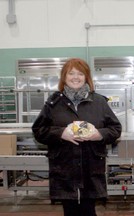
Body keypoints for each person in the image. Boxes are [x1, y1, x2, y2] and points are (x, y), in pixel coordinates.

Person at [32, 58, 122, 216]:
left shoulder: (99, 102)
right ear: (64, 77)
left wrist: (99, 135)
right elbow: (39, 130)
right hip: (65, 168)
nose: (75, 77)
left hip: (91, 167)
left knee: (89, 210)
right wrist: (61, 134)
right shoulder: (53, 103)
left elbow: (116, 129)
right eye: (71, 73)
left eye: (80, 73)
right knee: (70, 210)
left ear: (86, 77)